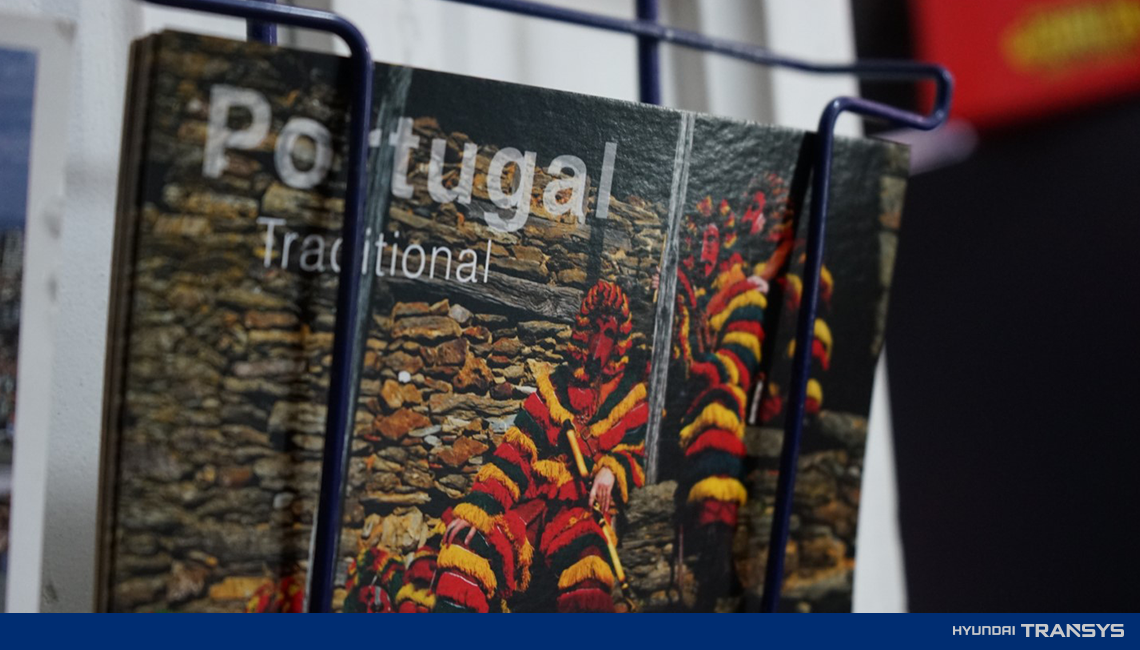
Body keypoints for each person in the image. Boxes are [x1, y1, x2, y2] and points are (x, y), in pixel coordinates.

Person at [430, 279, 648, 613]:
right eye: (594, 330)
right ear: (583, 331)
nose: (598, 343)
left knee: (586, 570)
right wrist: (480, 508)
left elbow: (635, 451)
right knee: (470, 544)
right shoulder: (554, 388)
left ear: (619, 340)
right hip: (534, 503)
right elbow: (514, 455)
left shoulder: (630, 397)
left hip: (581, 510)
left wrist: (611, 469)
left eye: (608, 334)